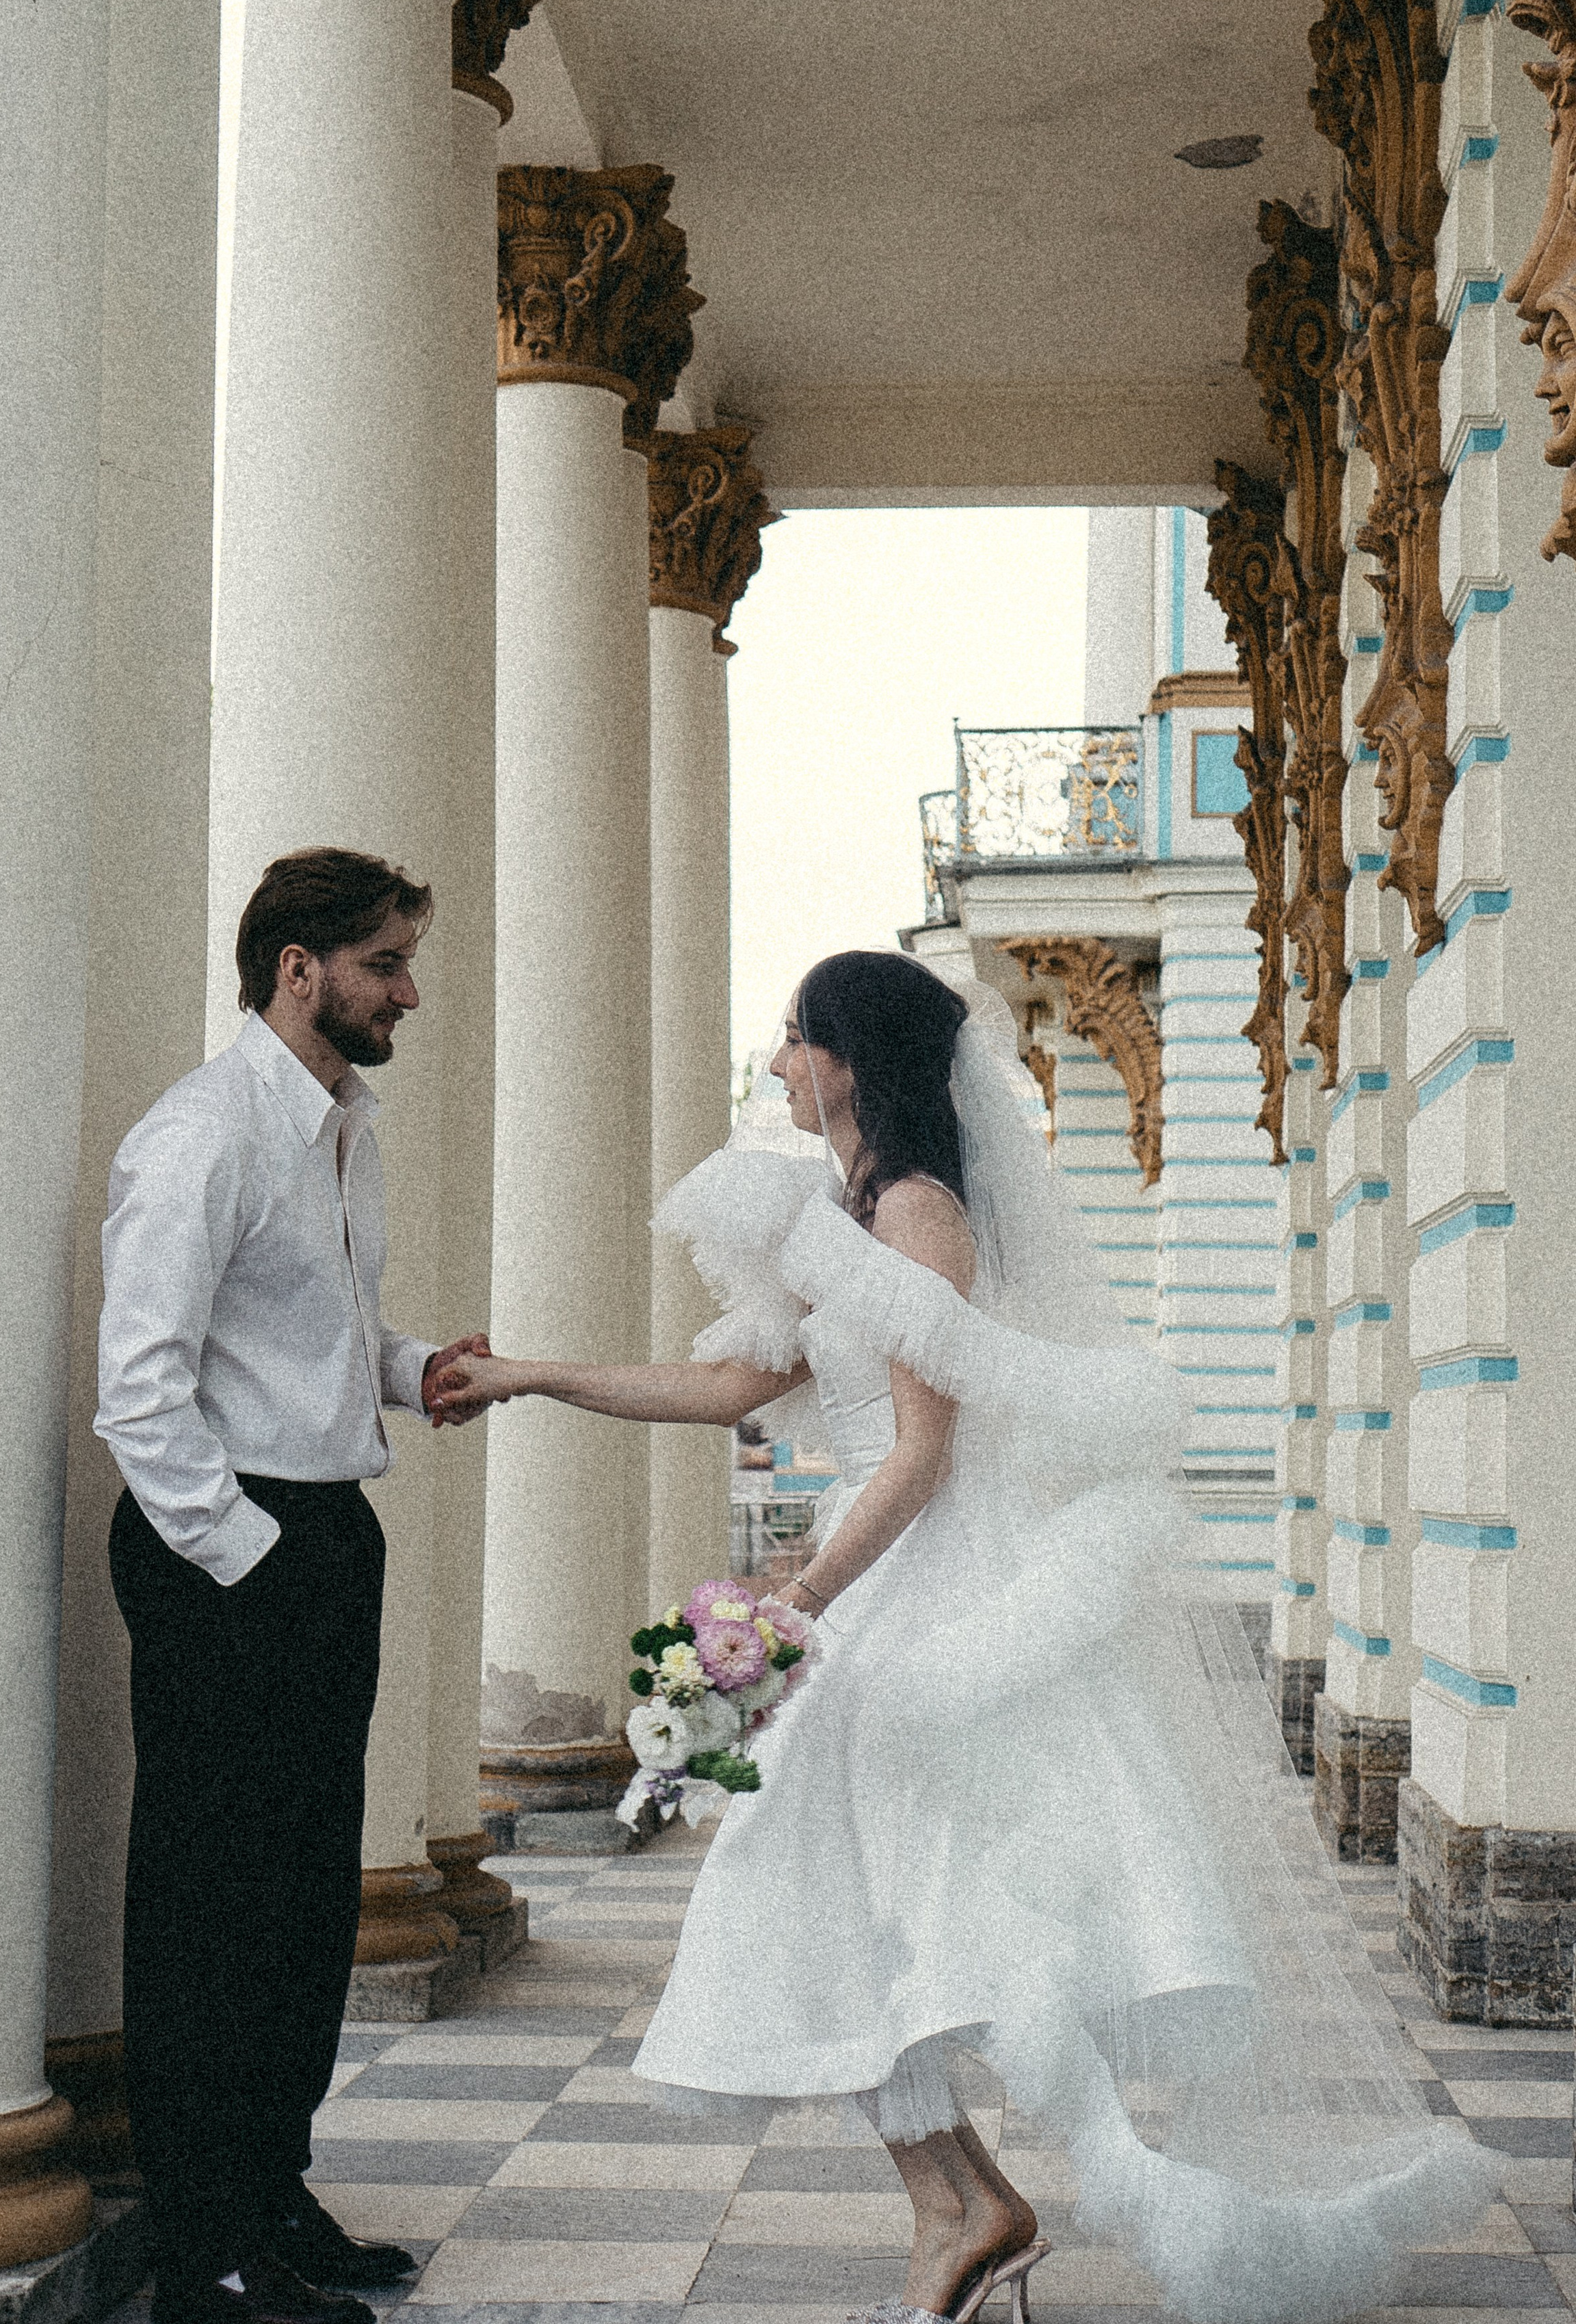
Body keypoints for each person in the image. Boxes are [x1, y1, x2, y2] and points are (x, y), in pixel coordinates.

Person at [432, 950, 1501, 2324]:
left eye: (789, 1039)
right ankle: (959, 2204)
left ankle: (959, 2205)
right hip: (885, 1582)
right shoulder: (845, 1215)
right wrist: (528, 1375)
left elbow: (923, 1454)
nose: (771, 1065)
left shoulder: (917, 1217)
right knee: (832, 1890)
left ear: (848, 1060)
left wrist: (799, 1600)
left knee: (851, 1889)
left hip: (939, 1588)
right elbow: (729, 1385)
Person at [97, 847, 486, 2324]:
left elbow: (305, 1335)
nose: (407, 991)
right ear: (297, 969)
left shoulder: (340, 1126)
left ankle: (270, 2187)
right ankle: (206, 2250)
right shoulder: (200, 1136)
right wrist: (251, 1561)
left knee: (308, 1888)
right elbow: (139, 1392)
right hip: (224, 1550)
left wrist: (409, 1369)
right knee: (212, 1904)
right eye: (386, 963)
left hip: (322, 1533)